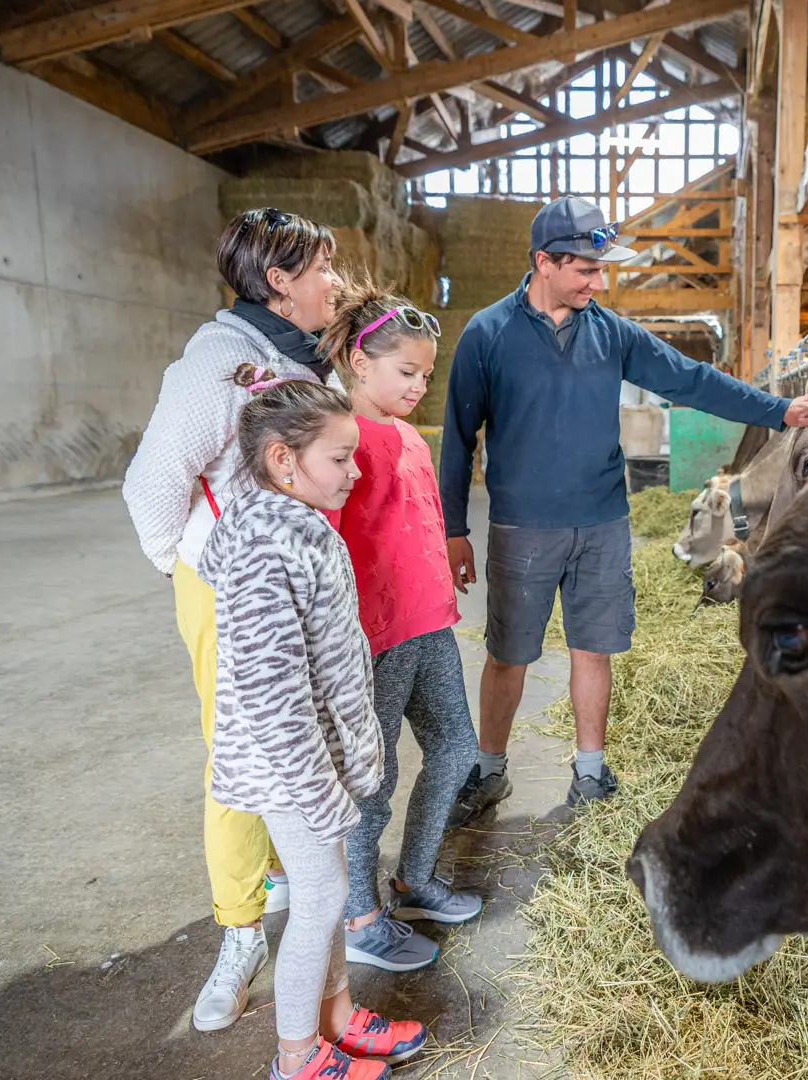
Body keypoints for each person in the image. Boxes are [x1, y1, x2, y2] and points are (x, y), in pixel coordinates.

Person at [439, 196, 808, 825]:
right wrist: (455, 529)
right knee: (509, 653)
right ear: (544, 262)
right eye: (587, 270)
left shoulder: (610, 332)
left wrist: (780, 411)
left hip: (602, 521)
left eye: (603, 270)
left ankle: (590, 771)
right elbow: (459, 439)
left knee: (592, 649)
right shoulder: (487, 334)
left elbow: (691, 379)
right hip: (521, 527)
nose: (600, 283)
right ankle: (490, 768)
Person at [121, 207, 345, 1031]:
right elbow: (152, 487)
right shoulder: (216, 364)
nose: (335, 283)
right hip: (230, 591)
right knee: (239, 760)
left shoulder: (306, 360)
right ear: (279, 281)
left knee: (301, 742)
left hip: (302, 586)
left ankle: (291, 882)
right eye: (322, 268)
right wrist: (198, 572)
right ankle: (240, 931)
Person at [199, 374, 426, 1080]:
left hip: (314, 763)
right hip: (292, 767)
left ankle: (335, 1016)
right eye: (339, 458)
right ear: (282, 460)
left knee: (324, 890)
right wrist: (316, 790)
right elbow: (273, 696)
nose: (354, 472)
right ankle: (297, 1057)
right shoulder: (268, 547)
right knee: (322, 897)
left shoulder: (292, 527)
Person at [315, 281, 484, 973]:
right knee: (370, 781)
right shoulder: (338, 437)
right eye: (406, 372)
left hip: (430, 623)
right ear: (361, 361)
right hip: (374, 638)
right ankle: (358, 915)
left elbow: (421, 517)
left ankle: (413, 881)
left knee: (455, 748)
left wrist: (444, 559)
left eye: (426, 374)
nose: (419, 386)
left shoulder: (411, 435)